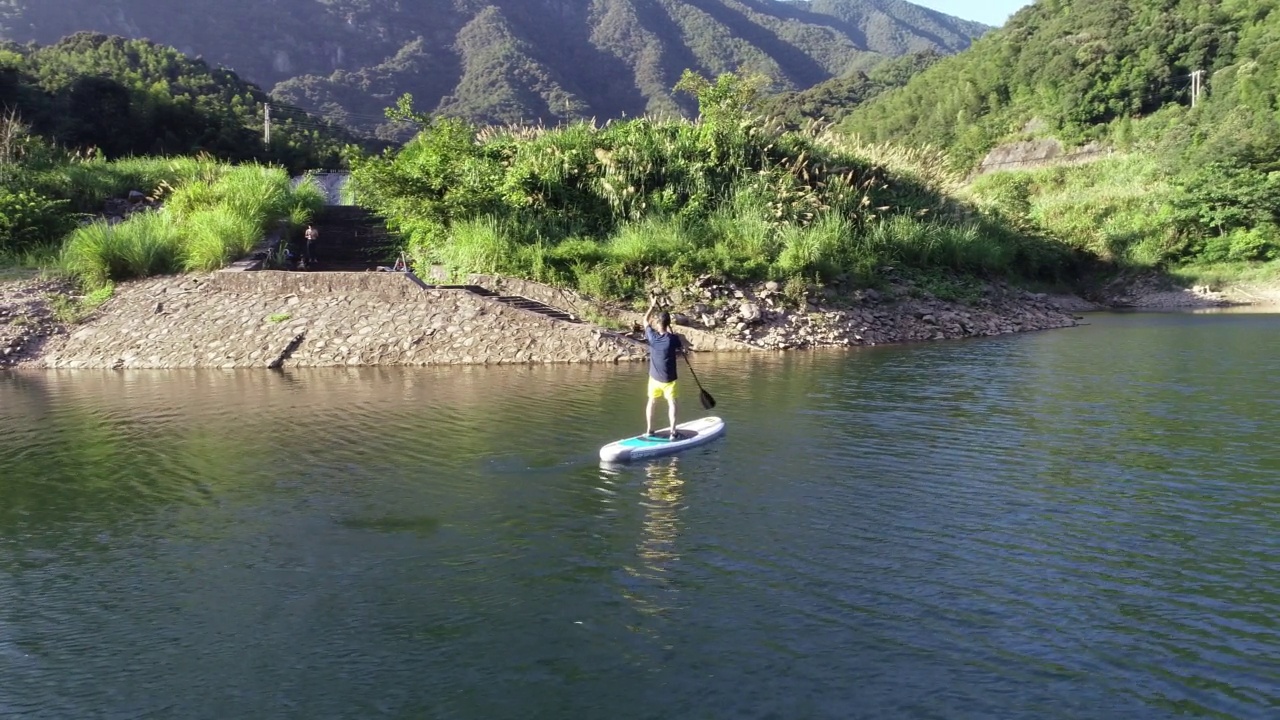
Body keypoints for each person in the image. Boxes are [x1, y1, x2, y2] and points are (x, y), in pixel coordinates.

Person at [644, 297, 686, 441]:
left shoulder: (652, 337)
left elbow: (645, 321)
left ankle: (650, 430)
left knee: (652, 401)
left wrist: (651, 306)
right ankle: (673, 433)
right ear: (668, 324)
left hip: (654, 378)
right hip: (669, 380)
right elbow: (681, 347)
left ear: (657, 323)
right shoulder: (673, 339)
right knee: (672, 403)